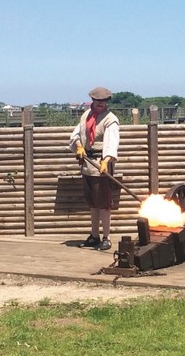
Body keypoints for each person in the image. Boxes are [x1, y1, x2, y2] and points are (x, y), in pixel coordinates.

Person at [69, 86, 120, 250]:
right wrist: (78, 146)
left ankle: (106, 237)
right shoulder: (86, 115)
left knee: (104, 203)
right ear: (93, 101)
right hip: (87, 165)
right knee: (92, 203)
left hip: (101, 165)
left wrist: (106, 161)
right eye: (98, 101)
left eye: (103, 102)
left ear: (107, 102)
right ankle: (94, 235)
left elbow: (112, 143)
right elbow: (76, 134)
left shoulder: (110, 119)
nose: (100, 104)